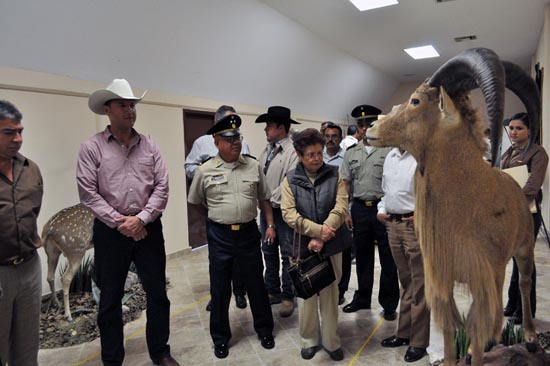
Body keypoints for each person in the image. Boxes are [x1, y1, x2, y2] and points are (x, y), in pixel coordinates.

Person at [77, 79, 179, 366]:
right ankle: (112, 360)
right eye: (122, 105)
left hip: (148, 229)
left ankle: (160, 352)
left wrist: (141, 219)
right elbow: (88, 193)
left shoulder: (150, 146)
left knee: (157, 293)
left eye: (132, 105)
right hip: (110, 233)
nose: (129, 110)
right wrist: (121, 222)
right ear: (107, 110)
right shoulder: (91, 148)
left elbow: (162, 187)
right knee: (110, 300)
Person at [188, 114, 276, 359]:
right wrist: (214, 220)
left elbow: (264, 199)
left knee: (256, 285)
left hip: (248, 233)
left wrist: (270, 224)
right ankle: (220, 338)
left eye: (237, 137)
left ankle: (265, 330)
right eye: (229, 138)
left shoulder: (252, 165)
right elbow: (195, 202)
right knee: (220, 288)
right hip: (220, 236)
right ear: (217, 142)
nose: (235, 142)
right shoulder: (205, 170)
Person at [281, 128, 349, 361]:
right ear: (300, 155)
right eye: (311, 154)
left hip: (331, 244)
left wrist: (323, 236)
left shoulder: (334, 174)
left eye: (319, 153)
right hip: (302, 246)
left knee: (330, 295)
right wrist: (317, 231)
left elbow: (340, 208)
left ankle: (332, 341)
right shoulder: (290, 179)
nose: (317, 158)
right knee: (306, 295)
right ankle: (309, 340)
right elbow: (289, 214)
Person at [185, 105, 249, 311]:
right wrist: (208, 173)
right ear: (216, 122)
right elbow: (189, 167)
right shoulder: (202, 143)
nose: (233, 129)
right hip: (214, 207)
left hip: (239, 209)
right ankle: (218, 296)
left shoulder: (243, 143)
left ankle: (240, 293)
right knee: (218, 259)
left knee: (240, 259)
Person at [340, 105, 399, 319]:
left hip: (383, 209)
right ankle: (363, 298)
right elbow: (346, 183)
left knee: (387, 258)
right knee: (363, 256)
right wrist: (346, 211)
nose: (365, 128)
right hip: (359, 210)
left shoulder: (389, 150)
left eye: (369, 124)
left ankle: (389, 303)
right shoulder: (351, 153)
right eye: (361, 125)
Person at [0, 100, 43, 366]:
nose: (18, 139)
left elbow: (32, 212)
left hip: (29, 268)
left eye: (20, 131)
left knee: (27, 349)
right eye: (8, 132)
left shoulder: (30, 169)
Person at [377, 148, 430, 363]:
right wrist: (381, 209)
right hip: (392, 224)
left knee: (420, 284)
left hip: (413, 225)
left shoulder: (422, 156)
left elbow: (436, 192)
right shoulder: (390, 156)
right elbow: (385, 191)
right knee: (406, 282)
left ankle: (418, 342)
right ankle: (403, 334)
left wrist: (423, 212)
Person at [501, 112, 548, 324]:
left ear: (530, 130)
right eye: (511, 128)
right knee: (515, 259)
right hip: (510, 212)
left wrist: (513, 202)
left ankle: (525, 309)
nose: (513, 132)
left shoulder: (537, 153)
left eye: (519, 128)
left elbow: (533, 184)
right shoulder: (509, 152)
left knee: (525, 262)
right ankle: (512, 304)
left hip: (527, 212)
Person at [256, 106, 300, 317]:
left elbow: (288, 184)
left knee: (287, 254)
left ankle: (287, 296)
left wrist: (265, 199)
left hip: (283, 212)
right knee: (268, 251)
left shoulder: (293, 152)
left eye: (269, 126)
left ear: (281, 128)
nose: (266, 130)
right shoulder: (267, 150)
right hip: (266, 212)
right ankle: (271, 290)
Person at [321, 122, 351, 305]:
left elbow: (349, 185)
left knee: (343, 251)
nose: (330, 139)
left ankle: (340, 289)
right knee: (324, 251)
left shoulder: (346, 157)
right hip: (322, 211)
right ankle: (323, 286)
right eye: (328, 136)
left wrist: (347, 211)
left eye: (334, 136)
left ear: (340, 139)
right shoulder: (318, 156)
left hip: (341, 210)